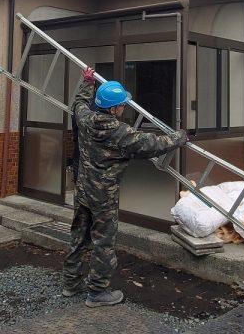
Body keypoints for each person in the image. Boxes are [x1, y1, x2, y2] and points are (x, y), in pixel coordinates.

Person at [62, 66, 188, 307]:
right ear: (112, 108)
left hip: (83, 191)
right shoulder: (120, 133)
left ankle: (71, 283)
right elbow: (153, 143)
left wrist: (87, 82)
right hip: (104, 197)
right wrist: (180, 137)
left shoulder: (85, 118)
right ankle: (97, 292)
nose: (123, 108)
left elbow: (78, 103)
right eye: (121, 105)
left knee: (78, 236)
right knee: (103, 243)